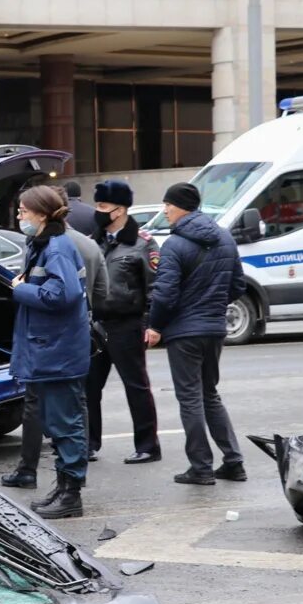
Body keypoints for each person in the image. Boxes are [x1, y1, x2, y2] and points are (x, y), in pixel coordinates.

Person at [1, 186, 106, 490]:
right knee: (59, 424)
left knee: (65, 425)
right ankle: (63, 488)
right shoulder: (45, 244)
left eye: (23, 211)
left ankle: (70, 493)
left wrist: (20, 289)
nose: (19, 216)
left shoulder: (57, 247)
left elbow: (63, 293)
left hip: (58, 352)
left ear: (42, 214)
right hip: (52, 351)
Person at [146, 182, 245, 486]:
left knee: (190, 398)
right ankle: (233, 461)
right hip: (214, 328)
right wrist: (212, 305)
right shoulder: (225, 238)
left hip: (184, 332)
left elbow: (164, 294)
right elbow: (238, 285)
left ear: (181, 207)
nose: (165, 211)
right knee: (209, 394)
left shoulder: (175, 245)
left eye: (168, 206)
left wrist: (156, 326)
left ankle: (201, 467)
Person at [86, 179, 162, 465]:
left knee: (136, 386)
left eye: (102, 206)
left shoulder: (142, 244)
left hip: (127, 325)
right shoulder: (94, 240)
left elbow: (155, 287)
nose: (97, 211)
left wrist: (152, 325)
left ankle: (148, 446)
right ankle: (89, 444)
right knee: (89, 387)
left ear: (119, 210)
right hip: (97, 325)